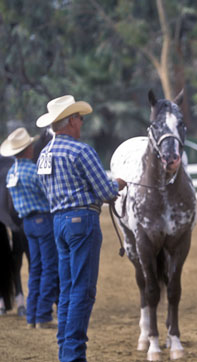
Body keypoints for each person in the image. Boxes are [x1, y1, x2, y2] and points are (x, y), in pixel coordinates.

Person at [35, 95, 127, 362]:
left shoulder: (43, 155)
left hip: (58, 223)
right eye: (80, 119)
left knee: (66, 288)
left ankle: (65, 347)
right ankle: (73, 354)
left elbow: (45, 190)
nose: (82, 123)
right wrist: (120, 183)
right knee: (83, 290)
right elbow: (105, 190)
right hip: (82, 222)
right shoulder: (81, 151)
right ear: (72, 121)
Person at [0, 127, 58, 329]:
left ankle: (32, 315)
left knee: (36, 269)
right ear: (27, 149)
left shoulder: (11, 173)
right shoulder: (34, 171)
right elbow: (50, 194)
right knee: (50, 268)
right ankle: (43, 315)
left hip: (27, 224)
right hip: (43, 221)